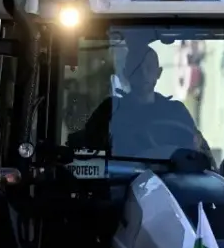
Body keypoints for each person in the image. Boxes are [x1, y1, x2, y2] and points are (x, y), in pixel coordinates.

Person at [74, 45, 215, 165]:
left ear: (158, 73)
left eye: (149, 67)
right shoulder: (110, 110)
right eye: (137, 68)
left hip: (171, 185)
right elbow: (84, 148)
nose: (143, 73)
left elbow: (201, 153)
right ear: (126, 73)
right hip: (118, 186)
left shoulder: (177, 112)